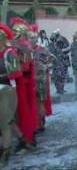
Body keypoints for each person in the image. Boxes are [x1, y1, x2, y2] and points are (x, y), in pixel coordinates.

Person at [10, 17, 38, 151]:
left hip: (21, 82)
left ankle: (27, 138)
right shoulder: (20, 45)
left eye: (15, 31)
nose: (13, 33)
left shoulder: (23, 45)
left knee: (23, 110)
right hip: (20, 81)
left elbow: (25, 66)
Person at [0, 22, 22, 166]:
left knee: (4, 122)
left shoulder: (9, 53)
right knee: (8, 120)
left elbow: (16, 73)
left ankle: (5, 152)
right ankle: (22, 139)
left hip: (7, 89)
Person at [30, 24, 54, 133]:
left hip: (41, 80)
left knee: (39, 101)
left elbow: (53, 59)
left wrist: (46, 68)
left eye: (34, 37)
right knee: (33, 102)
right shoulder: (26, 50)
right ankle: (35, 122)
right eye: (30, 37)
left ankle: (41, 123)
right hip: (30, 79)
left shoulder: (42, 49)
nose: (32, 40)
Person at [49, 30, 69, 94]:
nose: (55, 39)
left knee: (63, 75)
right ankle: (59, 89)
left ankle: (61, 88)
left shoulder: (62, 41)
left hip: (63, 61)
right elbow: (51, 54)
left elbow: (67, 46)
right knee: (57, 76)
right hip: (56, 63)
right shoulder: (51, 45)